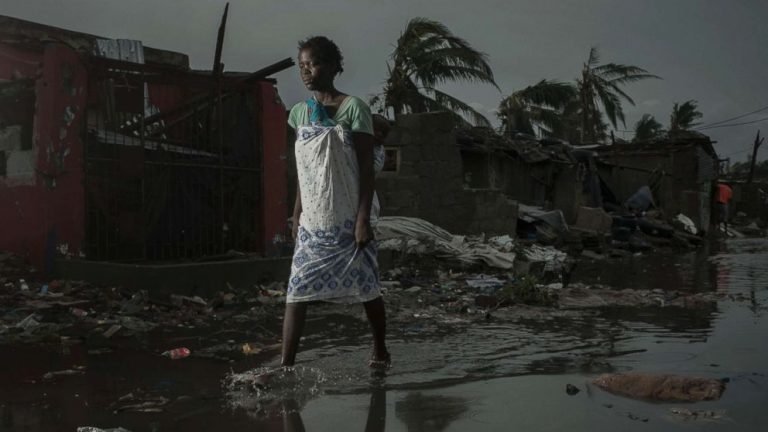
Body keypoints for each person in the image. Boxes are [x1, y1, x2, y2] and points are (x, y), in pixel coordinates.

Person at [281, 36, 390, 370]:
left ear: (330, 66)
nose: (306, 71)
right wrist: (297, 212)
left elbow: (366, 169)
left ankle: (380, 350)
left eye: (311, 63)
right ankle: (287, 364)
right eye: (301, 66)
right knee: (296, 291)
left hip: (347, 219)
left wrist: (362, 220)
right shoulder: (299, 113)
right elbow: (305, 169)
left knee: (367, 289)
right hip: (314, 220)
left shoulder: (354, 108)